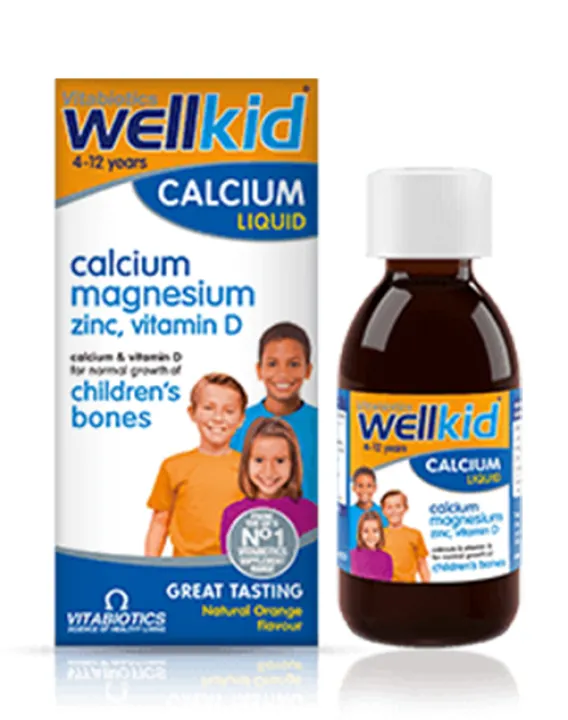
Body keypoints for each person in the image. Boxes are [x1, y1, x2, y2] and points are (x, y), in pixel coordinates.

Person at [145, 373, 246, 557]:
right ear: (192, 413)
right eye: (208, 408)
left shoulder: (251, 469)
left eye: (229, 411)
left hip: (233, 566)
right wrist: (149, 567)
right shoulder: (173, 466)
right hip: (185, 567)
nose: (218, 418)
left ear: (241, 419)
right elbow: (160, 522)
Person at [230, 322, 317, 503]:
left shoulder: (323, 424)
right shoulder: (236, 424)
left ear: (308, 370)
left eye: (293, 364)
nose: (282, 373)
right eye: (272, 364)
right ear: (259, 370)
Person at [220, 417, 317, 552]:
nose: (269, 472)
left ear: (293, 464)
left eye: (280, 460)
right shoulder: (233, 514)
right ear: (246, 463)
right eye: (259, 460)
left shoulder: (310, 512)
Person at [381, 490, 430, 582]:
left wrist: (427, 585)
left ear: (405, 508)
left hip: (409, 586)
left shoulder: (415, 534)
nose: (394, 511)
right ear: (383, 511)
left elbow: (422, 564)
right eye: (389, 507)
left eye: (398, 506)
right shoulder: (379, 535)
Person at [348, 466, 388, 549]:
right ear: (354, 488)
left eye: (369, 486)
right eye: (360, 486)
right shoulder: (347, 514)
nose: (364, 490)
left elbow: (386, 543)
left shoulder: (384, 513)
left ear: (375, 488)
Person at [350, 510, 393, 581]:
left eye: (375, 530)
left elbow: (386, 583)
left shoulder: (387, 558)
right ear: (360, 533)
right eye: (366, 531)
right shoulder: (352, 555)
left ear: (381, 533)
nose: (371, 535)